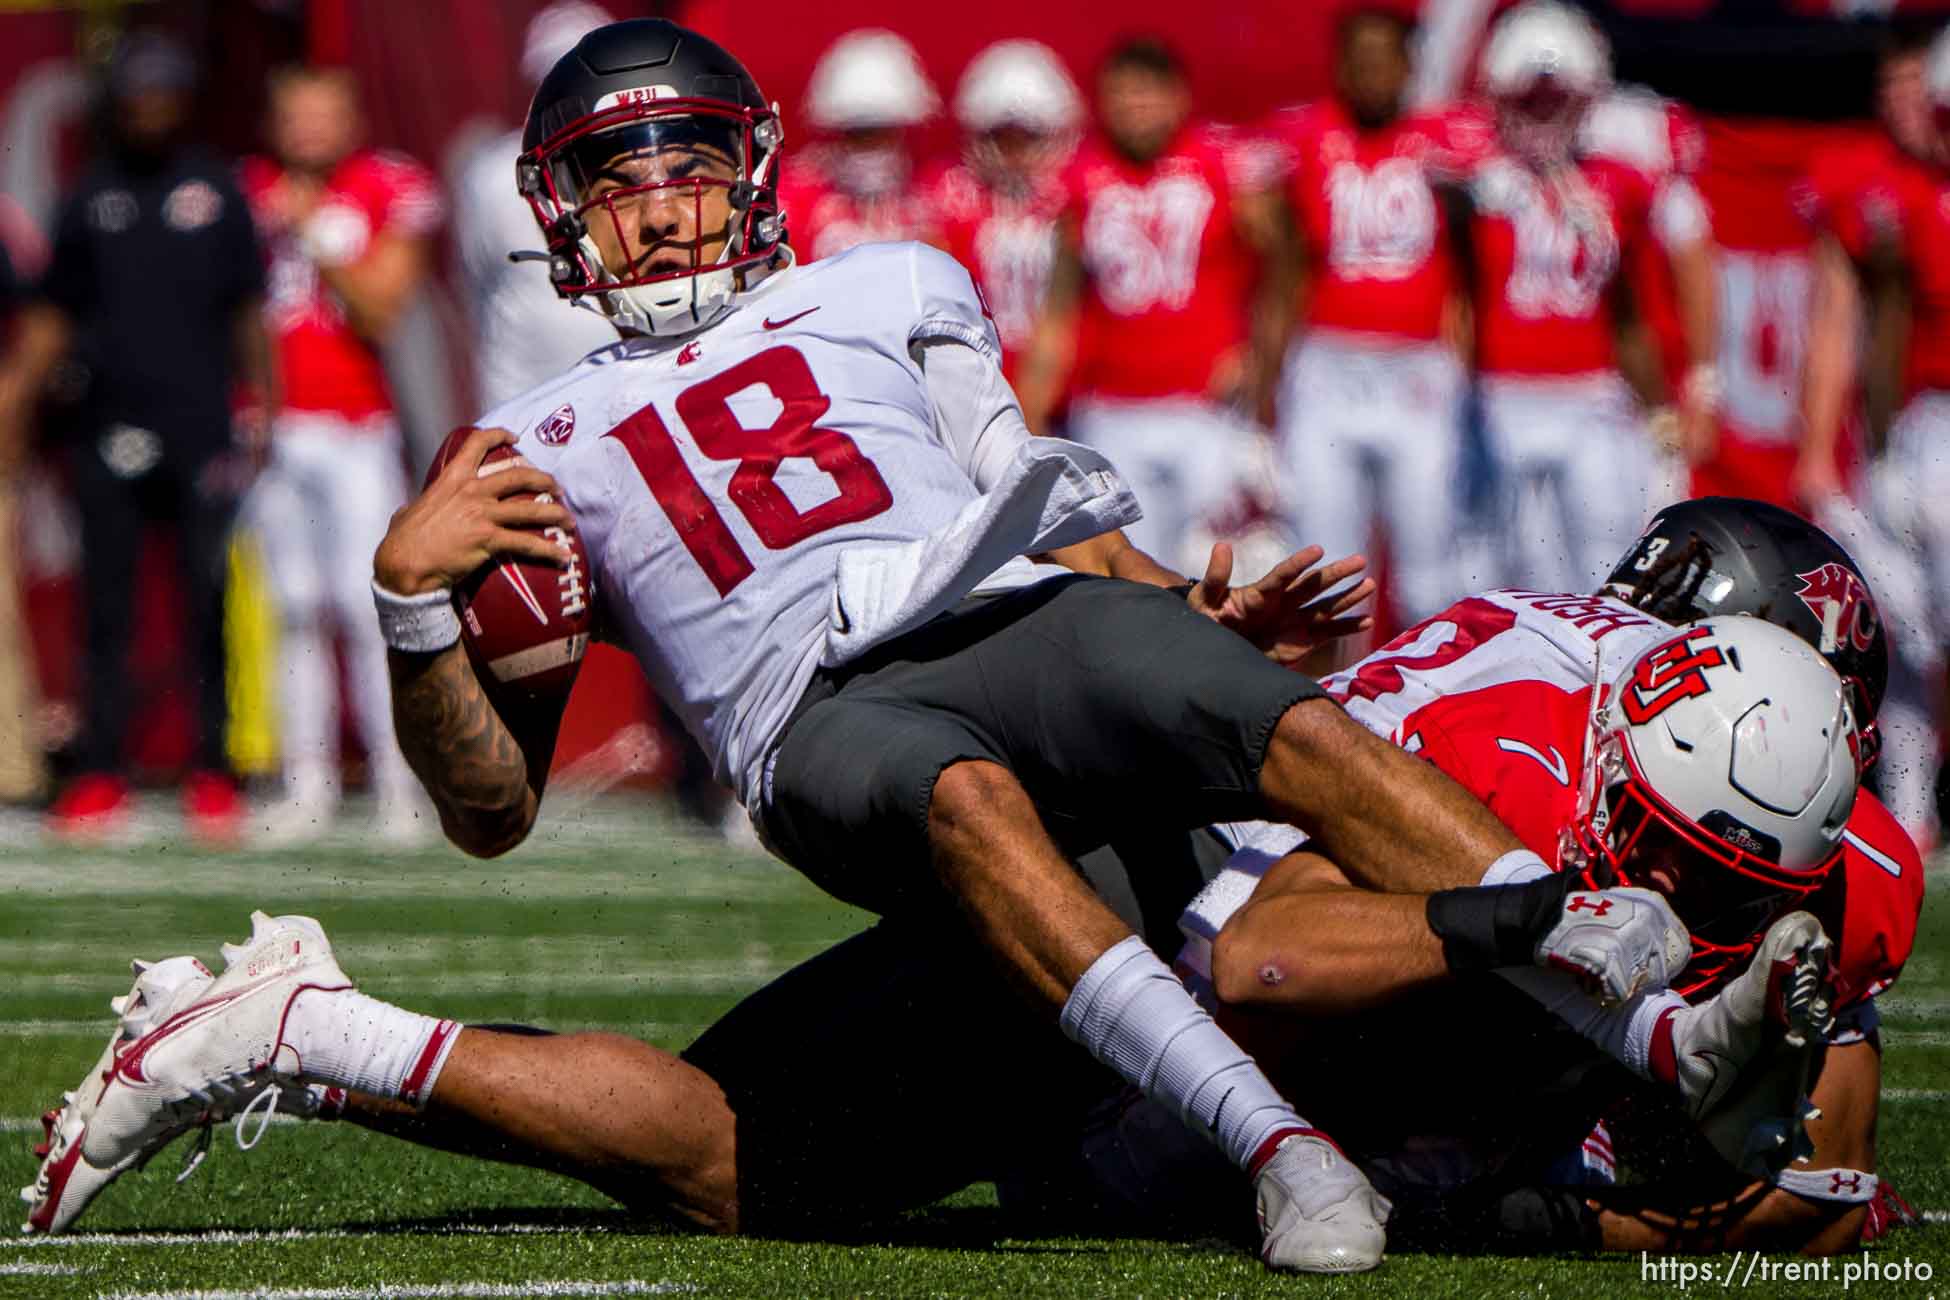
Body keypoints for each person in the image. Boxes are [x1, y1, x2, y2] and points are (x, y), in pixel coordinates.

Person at [22, 19, 1681, 1273]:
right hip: (841, 727)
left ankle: (1634, 1029)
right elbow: (484, 808)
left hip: (1024, 644)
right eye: (619, 179)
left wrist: (1188, 605)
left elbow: (1054, 520)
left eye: (686, 165)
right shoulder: (525, 443)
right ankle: (1284, 1148)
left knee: (1190, 707)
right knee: (833, 1033)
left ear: (749, 170)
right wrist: (409, 604)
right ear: (563, 217)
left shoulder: (894, 287)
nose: (662, 211)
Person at [0, 31, 271, 842]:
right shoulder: (90, 197)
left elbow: (250, 312)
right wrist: (17, 401)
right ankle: (101, 773)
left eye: (163, 90)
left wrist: (264, 404)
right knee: (105, 609)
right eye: (137, 91)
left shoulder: (216, 192)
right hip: (106, 424)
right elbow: (51, 315)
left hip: (198, 423)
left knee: (206, 599)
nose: (149, 104)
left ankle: (214, 773)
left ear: (183, 98)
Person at [238, 66, 443, 844]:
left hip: (358, 424)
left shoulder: (386, 185)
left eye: (324, 113)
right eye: (296, 113)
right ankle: (308, 783)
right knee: (292, 608)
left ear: (352, 116)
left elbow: (382, 305)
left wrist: (316, 234)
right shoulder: (245, 187)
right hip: (275, 427)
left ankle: (399, 784)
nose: (309, 129)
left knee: (368, 609)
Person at [1457, 1, 1718, 594]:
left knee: (1604, 569)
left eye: (1558, 96)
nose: (1544, 111)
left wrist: (1689, 391)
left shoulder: (1620, 177)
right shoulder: (1470, 172)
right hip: (1500, 397)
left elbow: (1673, 275)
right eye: (1530, 96)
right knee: (1497, 574)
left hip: (1592, 396)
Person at [1017, 37, 1294, 574]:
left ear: (1179, 97)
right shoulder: (1081, 179)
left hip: (1205, 409)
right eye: (1120, 94)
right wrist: (1032, 412)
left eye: (1146, 92)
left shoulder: (1222, 167)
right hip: (1112, 409)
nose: (1134, 106)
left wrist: (1259, 359)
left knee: (1230, 569)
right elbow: (1059, 308)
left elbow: (1284, 268)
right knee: (1133, 575)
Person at [1265, 3, 1475, 627]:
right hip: (1327, 365)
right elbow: (1282, 267)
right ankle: (1326, 711)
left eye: (1384, 59)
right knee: (1321, 565)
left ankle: (1430, 711)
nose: (1372, 73)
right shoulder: (1304, 139)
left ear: (1411, 63)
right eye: (1359, 60)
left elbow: (1479, 259)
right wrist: (1264, 384)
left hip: (1416, 370)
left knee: (1432, 562)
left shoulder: (1449, 141)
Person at [1796, 24, 1950, 849]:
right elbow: (1837, 326)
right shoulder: (1868, 182)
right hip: (1916, 434)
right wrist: (1821, 448)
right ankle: (1914, 810)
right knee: (1902, 626)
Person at [455, 1, 618, 410]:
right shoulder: (492, 174)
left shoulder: (640, 161)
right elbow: (475, 277)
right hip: (523, 386)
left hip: (622, 378)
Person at [924, 41, 1080, 381]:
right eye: (1003, 138)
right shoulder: (951, 195)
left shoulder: (1076, 194)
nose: (1014, 153)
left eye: (1028, 138)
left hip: (1070, 385)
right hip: (977, 380)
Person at [776, 29, 942, 261]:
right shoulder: (794, 206)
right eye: (858, 135)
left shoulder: (937, 205)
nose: (871, 147)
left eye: (883, 133)